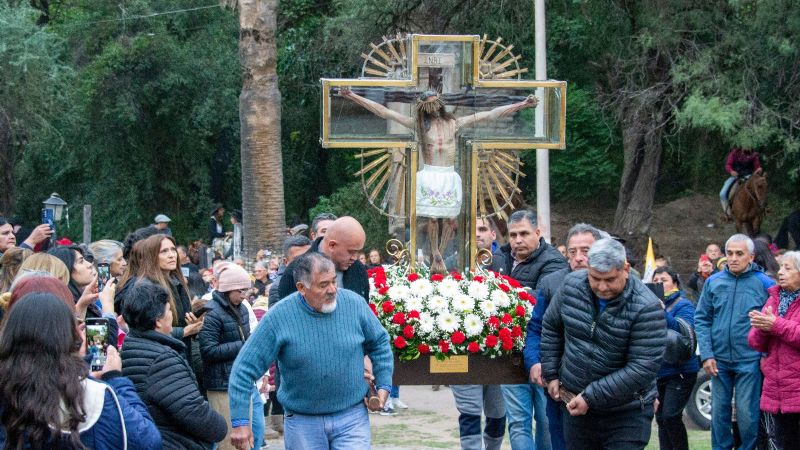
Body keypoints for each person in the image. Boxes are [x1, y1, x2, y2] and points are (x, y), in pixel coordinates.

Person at [341, 89, 538, 273]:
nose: (433, 110)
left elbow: (490, 114)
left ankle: (440, 255)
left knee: (451, 220)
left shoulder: (453, 123)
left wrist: (523, 104)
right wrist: (352, 95)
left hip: (448, 175)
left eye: (435, 105)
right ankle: (435, 252)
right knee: (433, 218)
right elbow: (385, 112)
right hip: (430, 174)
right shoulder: (419, 126)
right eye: (429, 107)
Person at [227, 252, 393, 450]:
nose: (332, 290)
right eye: (323, 285)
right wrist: (240, 423)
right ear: (301, 288)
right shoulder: (279, 317)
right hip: (302, 423)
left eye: (334, 281)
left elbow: (380, 343)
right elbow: (244, 369)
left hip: (352, 417)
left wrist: (384, 386)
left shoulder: (354, 304)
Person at [541, 238, 667, 449]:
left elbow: (642, 367)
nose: (602, 287)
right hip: (576, 407)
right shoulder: (571, 286)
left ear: (625, 269)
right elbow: (552, 326)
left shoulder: (646, 307)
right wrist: (551, 372)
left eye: (609, 279)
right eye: (595, 278)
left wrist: (591, 397)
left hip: (626, 412)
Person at [0, 293, 161, 449]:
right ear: (69, 338)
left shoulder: (8, 389)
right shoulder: (93, 394)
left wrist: (82, 370)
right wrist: (115, 378)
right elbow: (148, 441)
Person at [491, 209, 567, 450]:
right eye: (513, 235)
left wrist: (502, 297)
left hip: (544, 352)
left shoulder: (554, 262)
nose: (518, 240)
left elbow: (542, 302)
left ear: (538, 232)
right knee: (517, 421)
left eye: (524, 234)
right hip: (509, 351)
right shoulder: (499, 258)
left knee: (545, 420)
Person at [120, 279, 228, 449]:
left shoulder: (131, 344)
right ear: (158, 320)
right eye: (169, 310)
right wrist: (221, 427)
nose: (172, 315)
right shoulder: (162, 359)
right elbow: (193, 411)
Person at [695, 233, 775, 450]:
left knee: (747, 414)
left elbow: (773, 323)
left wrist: (764, 355)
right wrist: (707, 354)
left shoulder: (765, 284)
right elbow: (701, 318)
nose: (733, 258)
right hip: (718, 358)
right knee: (718, 413)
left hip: (750, 359)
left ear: (751, 257)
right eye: (729, 253)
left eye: (739, 254)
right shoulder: (713, 282)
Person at [527, 223, 603, 450]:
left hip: (604, 388)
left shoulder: (615, 284)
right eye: (572, 251)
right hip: (560, 385)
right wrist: (535, 362)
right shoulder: (551, 284)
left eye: (586, 251)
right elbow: (536, 329)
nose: (579, 258)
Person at [450, 217, 507, 450]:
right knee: (469, 412)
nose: (477, 234)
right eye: (472, 229)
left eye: (482, 229)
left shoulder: (507, 262)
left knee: (497, 413)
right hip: (464, 350)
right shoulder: (452, 263)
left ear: (493, 234)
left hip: (500, 352)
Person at [199, 262, 262, 450]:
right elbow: (208, 351)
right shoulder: (212, 313)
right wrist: (242, 344)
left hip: (242, 382)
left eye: (245, 290)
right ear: (228, 289)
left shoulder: (242, 308)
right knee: (229, 442)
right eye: (240, 291)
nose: (244, 295)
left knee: (247, 440)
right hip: (221, 386)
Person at [117, 234, 203, 368]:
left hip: (178, 356)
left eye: (173, 250)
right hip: (158, 361)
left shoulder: (177, 283)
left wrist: (192, 324)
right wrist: (184, 331)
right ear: (152, 256)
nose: (171, 255)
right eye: (164, 251)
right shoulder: (145, 289)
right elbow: (143, 331)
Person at [748, 251, 800, 449]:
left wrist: (775, 325)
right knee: (783, 443)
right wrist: (762, 328)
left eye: (788, 268)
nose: (780, 272)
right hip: (778, 389)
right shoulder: (774, 299)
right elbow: (755, 342)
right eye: (780, 267)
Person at [652, 266, 699, 450]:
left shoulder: (683, 305)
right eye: (655, 281)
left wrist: (661, 311)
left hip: (681, 370)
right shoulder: (648, 306)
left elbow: (683, 331)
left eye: (663, 280)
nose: (659, 284)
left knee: (671, 416)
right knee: (661, 418)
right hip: (660, 370)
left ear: (675, 283)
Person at [278, 216, 368, 302]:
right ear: (332, 245)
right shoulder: (294, 273)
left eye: (358, 251)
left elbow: (364, 309)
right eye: (351, 251)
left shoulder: (358, 269)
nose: (355, 257)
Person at [49, 245, 119, 343]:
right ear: (66, 268)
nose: (89, 264)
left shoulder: (79, 301)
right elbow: (99, 345)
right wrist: (108, 306)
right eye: (81, 261)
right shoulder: (61, 307)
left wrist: (83, 304)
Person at [720, 147, 763, 218]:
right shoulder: (734, 153)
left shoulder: (754, 155)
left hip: (749, 177)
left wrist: (759, 169)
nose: (748, 147)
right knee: (722, 193)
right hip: (736, 176)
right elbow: (728, 165)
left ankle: (762, 210)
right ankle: (727, 214)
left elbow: (757, 166)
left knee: (760, 189)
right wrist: (731, 171)